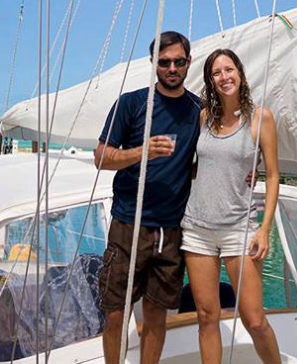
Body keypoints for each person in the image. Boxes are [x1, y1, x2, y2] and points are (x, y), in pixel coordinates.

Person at [94, 31, 201, 364]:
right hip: (129, 224)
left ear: (188, 63)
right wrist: (141, 152)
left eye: (178, 62)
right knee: (115, 314)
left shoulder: (198, 110)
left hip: (171, 230)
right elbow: (101, 157)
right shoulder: (131, 104)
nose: (171, 68)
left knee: (157, 314)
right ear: (153, 63)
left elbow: (207, 157)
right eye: (164, 62)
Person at [181, 48, 282, 364]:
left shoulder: (260, 118)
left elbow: (275, 175)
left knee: (254, 319)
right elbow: (195, 166)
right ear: (210, 81)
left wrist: (264, 230)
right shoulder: (202, 118)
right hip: (196, 229)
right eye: (216, 73)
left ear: (239, 72)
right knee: (206, 316)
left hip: (239, 229)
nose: (224, 77)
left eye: (229, 69)